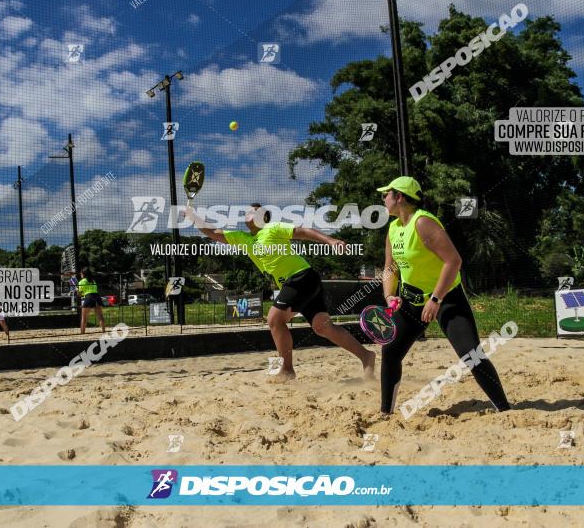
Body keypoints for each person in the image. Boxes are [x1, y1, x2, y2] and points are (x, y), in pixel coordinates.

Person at [185, 203, 375, 380]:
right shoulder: (245, 239)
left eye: (252, 211)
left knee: (274, 319)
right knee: (323, 327)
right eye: (246, 212)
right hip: (298, 282)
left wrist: (330, 240)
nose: (247, 214)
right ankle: (366, 356)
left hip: (301, 277)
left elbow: (304, 231)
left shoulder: (272, 228)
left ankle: (287, 370)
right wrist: (193, 216)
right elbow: (213, 233)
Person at [377, 176, 511, 414]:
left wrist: (436, 299)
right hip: (412, 301)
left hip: (446, 297)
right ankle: (386, 412)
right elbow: (390, 268)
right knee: (390, 352)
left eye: (386, 194)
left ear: (399, 197)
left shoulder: (423, 222)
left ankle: (504, 409)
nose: (382, 198)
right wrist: (390, 296)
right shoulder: (393, 229)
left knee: (471, 354)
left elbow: (454, 260)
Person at [78, 268, 106, 335]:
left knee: (84, 318)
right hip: (97, 297)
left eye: (81, 273)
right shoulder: (93, 281)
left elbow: (80, 294)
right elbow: (94, 290)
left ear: (83, 274)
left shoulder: (81, 282)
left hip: (89, 297)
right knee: (100, 316)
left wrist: (77, 291)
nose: (80, 275)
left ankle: (82, 333)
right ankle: (103, 331)